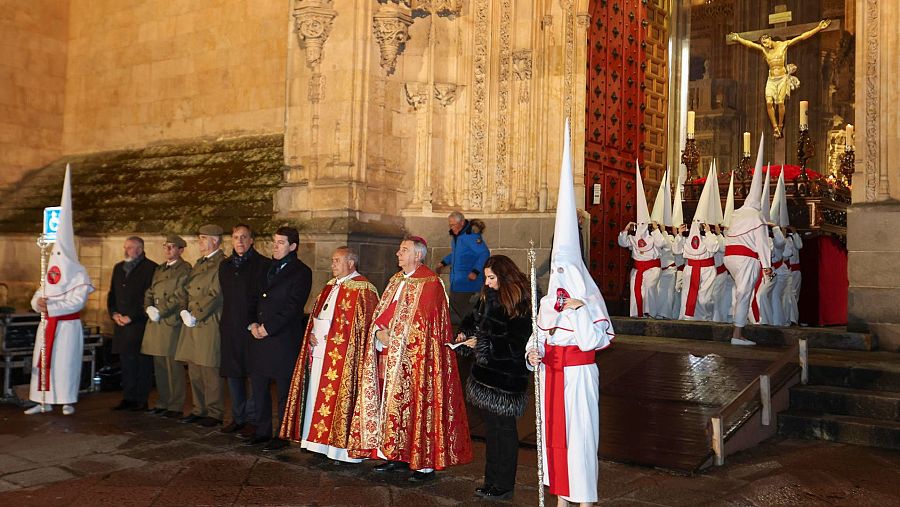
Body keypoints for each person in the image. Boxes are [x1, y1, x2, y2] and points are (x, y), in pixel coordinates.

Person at [527, 122, 614, 506]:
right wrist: (532, 354)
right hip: (551, 375)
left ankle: (584, 497)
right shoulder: (546, 302)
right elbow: (538, 335)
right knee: (553, 439)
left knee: (578, 437)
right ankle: (561, 495)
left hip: (578, 375)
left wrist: (578, 310)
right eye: (556, 269)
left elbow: (596, 339)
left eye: (566, 269)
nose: (559, 277)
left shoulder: (590, 300)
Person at [352, 235, 472, 482]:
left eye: (404, 250)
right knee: (391, 407)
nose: (398, 253)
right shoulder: (395, 280)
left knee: (417, 407)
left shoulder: (430, 283)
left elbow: (422, 325)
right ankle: (394, 455)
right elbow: (381, 312)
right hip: (388, 356)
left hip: (416, 362)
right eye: (399, 250)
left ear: (418, 255)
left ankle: (423, 463)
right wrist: (378, 332)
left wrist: (393, 336)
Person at [280, 246, 378, 462]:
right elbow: (316, 315)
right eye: (332, 260)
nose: (332, 264)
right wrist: (312, 335)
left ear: (351, 263)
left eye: (337, 260)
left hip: (343, 358)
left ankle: (340, 450)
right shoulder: (329, 286)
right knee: (316, 398)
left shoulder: (364, 289)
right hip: (320, 353)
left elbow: (366, 327)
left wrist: (337, 339)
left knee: (338, 403)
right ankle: (317, 443)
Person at [455, 255, 531, 500]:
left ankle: (504, 484)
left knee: (504, 431)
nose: (487, 283)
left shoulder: (521, 303)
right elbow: (474, 320)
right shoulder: (487, 297)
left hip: (507, 378)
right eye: (486, 278)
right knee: (491, 430)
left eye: (491, 278)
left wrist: (483, 343)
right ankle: (491, 480)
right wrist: (464, 335)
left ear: (504, 276)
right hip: (484, 376)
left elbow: (517, 345)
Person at [25, 166, 95, 416]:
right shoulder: (51, 270)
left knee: (64, 365)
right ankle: (41, 399)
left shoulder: (78, 273)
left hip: (66, 327)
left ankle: (66, 400)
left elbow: (76, 302)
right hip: (46, 325)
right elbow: (38, 293)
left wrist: (51, 306)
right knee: (43, 363)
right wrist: (38, 304)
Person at [245, 226, 312, 452]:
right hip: (259, 336)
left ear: (292, 246)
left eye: (281, 242)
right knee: (259, 387)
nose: (275, 246)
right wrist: (253, 323)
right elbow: (254, 298)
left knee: (283, 390)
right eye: (274, 241)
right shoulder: (266, 268)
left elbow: (294, 307)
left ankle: (282, 434)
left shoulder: (301, 272)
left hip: (282, 339)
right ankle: (262, 431)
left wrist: (268, 328)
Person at [728, 19, 831, 138]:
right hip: (771, 79)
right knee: (768, 102)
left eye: (766, 42)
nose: (765, 45)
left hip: (782, 78)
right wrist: (738, 38)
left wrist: (818, 28)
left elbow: (801, 37)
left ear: (769, 39)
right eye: (763, 44)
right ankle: (775, 126)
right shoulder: (764, 50)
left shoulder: (783, 45)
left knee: (781, 103)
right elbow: (750, 44)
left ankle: (780, 125)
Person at [218, 224, 270, 437]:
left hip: (251, 328)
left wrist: (256, 324)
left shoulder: (263, 265)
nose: (239, 241)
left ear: (251, 241)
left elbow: (262, 299)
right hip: (230, 327)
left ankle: (253, 418)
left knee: (253, 375)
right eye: (236, 237)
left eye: (244, 237)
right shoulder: (225, 265)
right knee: (233, 374)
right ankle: (238, 418)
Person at [175, 224, 226, 426]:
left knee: (209, 369)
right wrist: (183, 309)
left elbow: (216, 294)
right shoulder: (200, 263)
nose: (200, 242)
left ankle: (214, 412)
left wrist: (196, 314)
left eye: (203, 238)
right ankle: (199, 408)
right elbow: (187, 290)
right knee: (195, 368)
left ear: (214, 240)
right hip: (192, 321)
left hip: (207, 321)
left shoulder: (221, 263)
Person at [725, 136, 772, 345]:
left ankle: (738, 326)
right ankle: (737, 335)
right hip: (745, 259)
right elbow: (762, 242)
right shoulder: (757, 216)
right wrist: (767, 265)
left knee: (740, 291)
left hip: (730, 258)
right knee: (745, 293)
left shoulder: (737, 213)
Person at [141, 234, 191, 418]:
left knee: (173, 367)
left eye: (172, 247)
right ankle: (163, 401)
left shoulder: (184, 269)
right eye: (166, 246)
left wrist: (160, 310)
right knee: (160, 366)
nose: (168, 250)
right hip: (156, 324)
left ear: (180, 250)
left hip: (171, 324)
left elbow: (179, 296)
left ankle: (176, 405)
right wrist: (148, 307)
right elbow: (150, 291)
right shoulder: (160, 269)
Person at [107, 236, 158, 411]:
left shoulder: (151, 268)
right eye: (126, 247)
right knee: (126, 362)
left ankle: (141, 399)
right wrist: (114, 313)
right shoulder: (119, 268)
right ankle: (128, 397)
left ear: (139, 249)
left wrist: (133, 316)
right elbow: (112, 294)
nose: (126, 250)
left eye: (130, 247)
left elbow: (150, 298)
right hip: (121, 324)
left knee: (142, 363)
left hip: (139, 324)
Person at [618, 162, 666, 318]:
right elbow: (622, 243)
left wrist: (656, 229)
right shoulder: (633, 236)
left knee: (650, 289)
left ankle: (650, 313)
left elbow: (661, 244)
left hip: (652, 269)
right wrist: (625, 229)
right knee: (636, 291)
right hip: (638, 268)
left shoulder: (654, 235)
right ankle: (636, 316)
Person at [676, 164, 721, 321]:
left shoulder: (710, 235)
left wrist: (708, 231)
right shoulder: (689, 235)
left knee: (704, 299)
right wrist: (680, 235)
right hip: (691, 268)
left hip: (707, 269)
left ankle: (704, 320)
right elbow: (677, 250)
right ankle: (687, 320)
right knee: (687, 296)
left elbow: (714, 246)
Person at [436, 211, 490, 327]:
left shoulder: (470, 236)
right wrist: (444, 262)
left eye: (453, 225)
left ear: (461, 223)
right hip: (457, 282)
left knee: (466, 313)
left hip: (468, 284)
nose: (451, 228)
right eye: (450, 225)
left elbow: (484, 253)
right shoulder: (458, 237)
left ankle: (470, 334)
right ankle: (462, 334)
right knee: (458, 311)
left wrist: (475, 271)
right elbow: (457, 254)